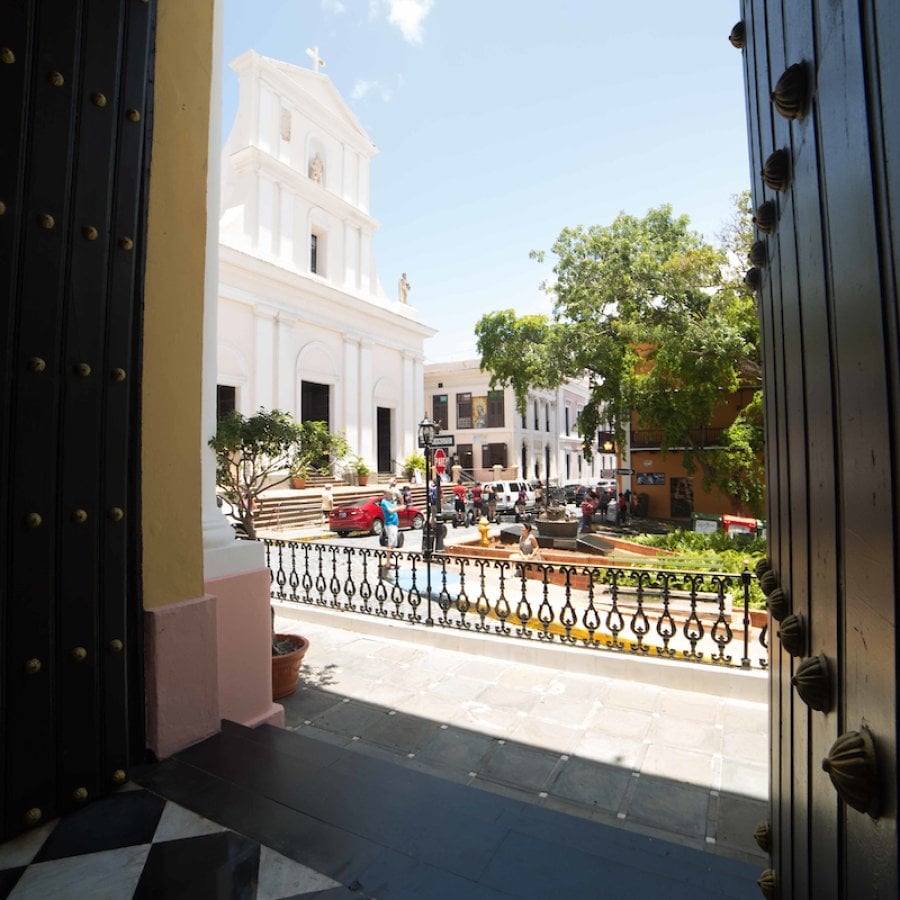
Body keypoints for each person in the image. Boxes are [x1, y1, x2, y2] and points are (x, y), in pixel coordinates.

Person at [378, 490, 400, 579]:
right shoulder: (384, 502)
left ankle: (389, 560)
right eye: (390, 494)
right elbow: (390, 511)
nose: (392, 496)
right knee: (391, 544)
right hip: (390, 524)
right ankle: (387, 562)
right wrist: (399, 508)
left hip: (393, 524)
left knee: (393, 543)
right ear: (386, 494)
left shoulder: (389, 501)